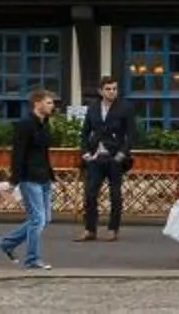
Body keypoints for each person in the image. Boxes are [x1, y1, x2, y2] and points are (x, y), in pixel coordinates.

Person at [0, 86, 57, 271]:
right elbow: (18, 154)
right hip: (29, 177)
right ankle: (32, 259)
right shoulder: (25, 124)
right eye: (48, 102)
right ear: (37, 103)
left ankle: (6, 243)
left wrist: (50, 175)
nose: (52, 106)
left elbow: (44, 152)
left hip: (44, 176)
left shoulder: (44, 124)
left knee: (44, 219)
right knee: (38, 219)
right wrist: (14, 180)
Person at [78, 75, 133, 242]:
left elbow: (132, 134)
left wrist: (121, 154)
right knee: (90, 194)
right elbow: (84, 132)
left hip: (114, 157)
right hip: (95, 157)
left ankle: (112, 229)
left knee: (115, 194)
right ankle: (90, 229)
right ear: (100, 91)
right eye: (108, 89)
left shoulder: (125, 107)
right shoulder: (93, 107)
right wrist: (86, 152)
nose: (112, 92)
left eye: (115, 89)